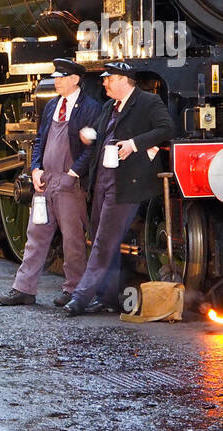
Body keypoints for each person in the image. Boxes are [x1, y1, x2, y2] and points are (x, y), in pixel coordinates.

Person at [63, 62, 175, 317]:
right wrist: (90, 135)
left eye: (108, 79)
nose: (104, 83)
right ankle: (108, 297)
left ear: (124, 79)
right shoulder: (108, 107)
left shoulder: (148, 102)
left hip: (128, 182)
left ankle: (81, 297)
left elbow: (167, 129)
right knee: (104, 239)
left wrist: (135, 144)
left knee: (104, 241)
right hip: (103, 179)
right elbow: (102, 135)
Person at [0, 59, 100, 307]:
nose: (57, 81)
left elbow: (94, 146)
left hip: (69, 183)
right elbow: (40, 139)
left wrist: (74, 173)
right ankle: (24, 288)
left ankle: (74, 289)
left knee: (73, 239)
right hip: (45, 180)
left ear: (75, 80)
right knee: (36, 234)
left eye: (62, 77)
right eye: (56, 77)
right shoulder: (53, 104)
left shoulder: (90, 108)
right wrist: (35, 168)